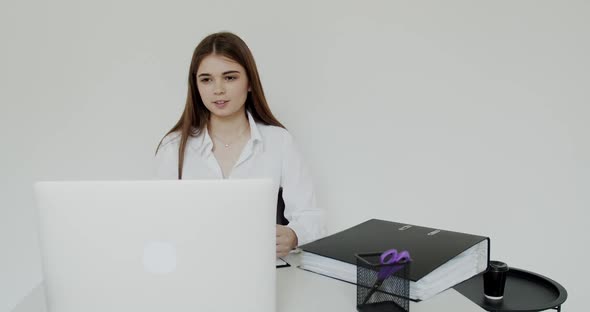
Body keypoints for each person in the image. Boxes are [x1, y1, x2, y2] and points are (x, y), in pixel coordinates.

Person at [154, 32, 324, 257]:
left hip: (259, 272)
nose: (218, 90)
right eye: (206, 79)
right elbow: (157, 223)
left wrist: (294, 234)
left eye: (230, 77)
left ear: (250, 82)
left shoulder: (279, 142)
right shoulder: (174, 147)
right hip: (192, 270)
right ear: (196, 86)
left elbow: (311, 217)